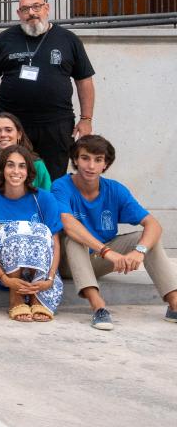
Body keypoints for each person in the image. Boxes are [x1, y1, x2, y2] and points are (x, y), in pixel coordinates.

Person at [52, 135, 177, 329]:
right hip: (68, 263)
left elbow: (153, 224)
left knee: (144, 238)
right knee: (74, 239)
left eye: (98, 159)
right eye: (85, 158)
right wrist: (107, 251)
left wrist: (139, 251)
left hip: (100, 259)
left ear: (106, 164)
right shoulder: (61, 186)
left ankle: (174, 304)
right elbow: (68, 224)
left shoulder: (115, 190)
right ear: (75, 160)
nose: (91, 165)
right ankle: (98, 307)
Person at [0, 0, 96, 181]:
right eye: (25, 9)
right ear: (19, 13)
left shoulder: (68, 39)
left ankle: (46, 211)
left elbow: (84, 81)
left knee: (52, 178)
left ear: (46, 8)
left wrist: (86, 119)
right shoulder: (3, 40)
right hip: (13, 125)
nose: (32, 13)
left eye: (36, 7)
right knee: (12, 175)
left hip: (56, 124)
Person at [0, 145, 64, 323]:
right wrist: (4, 277)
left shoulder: (45, 198)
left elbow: (55, 241)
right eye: (10, 165)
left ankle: (35, 296)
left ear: (29, 171)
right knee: (14, 229)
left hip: (39, 272)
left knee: (39, 231)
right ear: (1, 169)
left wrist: (50, 277)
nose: (16, 171)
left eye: (22, 166)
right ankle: (15, 297)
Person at [0, 112, 51, 194]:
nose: (2, 134)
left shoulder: (37, 165)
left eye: (8, 130)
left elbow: (47, 200)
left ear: (19, 134)